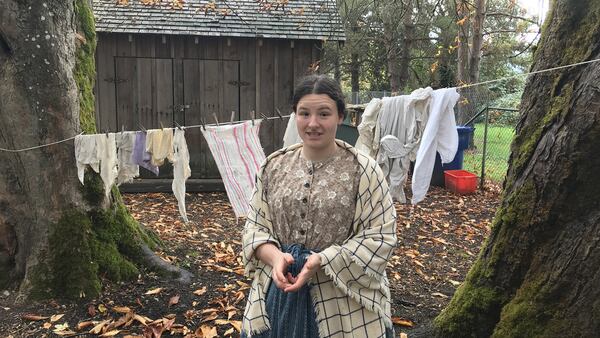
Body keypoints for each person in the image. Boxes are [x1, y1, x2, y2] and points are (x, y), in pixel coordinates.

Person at [241, 75, 397, 337]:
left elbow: (380, 235)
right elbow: (254, 227)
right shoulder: (273, 166)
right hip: (279, 292)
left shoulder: (364, 169)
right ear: (295, 115)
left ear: (340, 116)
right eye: (304, 113)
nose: (313, 123)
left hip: (342, 297)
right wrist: (276, 257)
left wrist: (324, 260)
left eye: (324, 114)